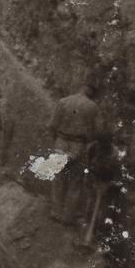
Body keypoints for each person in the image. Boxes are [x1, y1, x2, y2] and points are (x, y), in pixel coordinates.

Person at [48, 84, 102, 225]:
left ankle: (56, 212)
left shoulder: (63, 101)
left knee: (58, 178)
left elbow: (52, 125)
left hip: (60, 141)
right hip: (79, 145)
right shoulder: (93, 107)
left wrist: (56, 141)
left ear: (81, 88)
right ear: (92, 92)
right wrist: (88, 141)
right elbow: (97, 132)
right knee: (75, 182)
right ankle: (68, 217)